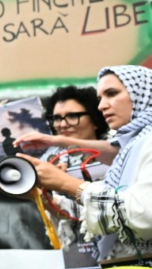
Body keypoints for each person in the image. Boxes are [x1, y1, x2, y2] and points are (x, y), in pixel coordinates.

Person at [19, 66, 152, 246]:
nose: (102, 105)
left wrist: (66, 183)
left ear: (142, 93)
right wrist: (44, 195)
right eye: (100, 98)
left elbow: (142, 213)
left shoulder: (146, 140)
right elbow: (117, 151)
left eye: (112, 93)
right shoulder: (134, 143)